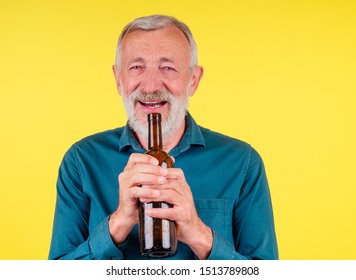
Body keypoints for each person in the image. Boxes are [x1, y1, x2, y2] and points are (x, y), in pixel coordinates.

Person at [48, 14, 278, 260]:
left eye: (167, 68)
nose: (149, 86)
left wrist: (197, 232)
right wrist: (119, 222)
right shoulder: (81, 161)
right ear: (118, 79)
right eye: (136, 67)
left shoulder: (242, 163)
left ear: (193, 80)